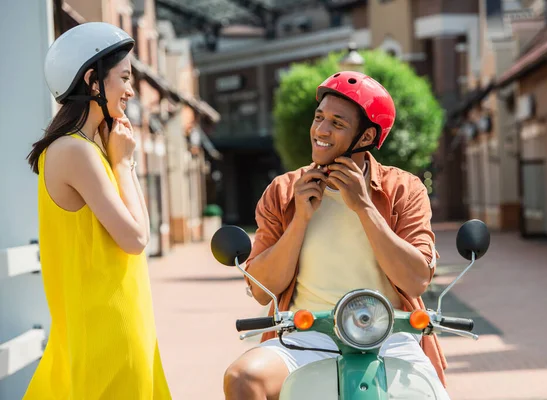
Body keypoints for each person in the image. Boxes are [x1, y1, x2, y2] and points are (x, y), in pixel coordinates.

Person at [223, 71, 448, 399]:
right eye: (319, 118)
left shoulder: (404, 188)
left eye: (337, 123)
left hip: (390, 335)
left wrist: (364, 208)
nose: (321, 130)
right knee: (242, 378)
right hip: (306, 334)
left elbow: (416, 280)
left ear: (367, 135)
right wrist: (300, 219)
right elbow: (261, 292)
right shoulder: (283, 191)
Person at [23, 22, 171, 399]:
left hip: (111, 329)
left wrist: (121, 160)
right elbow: (137, 239)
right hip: (106, 336)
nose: (131, 89)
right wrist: (123, 165)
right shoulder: (76, 152)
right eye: (124, 77)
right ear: (92, 81)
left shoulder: (92, 148)